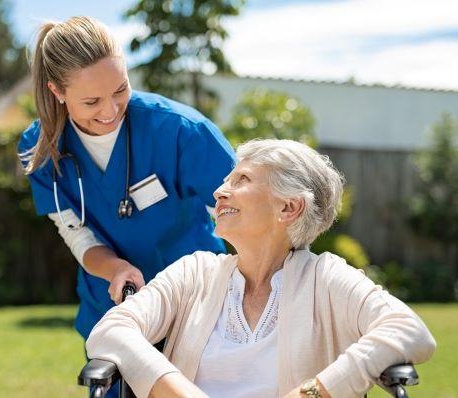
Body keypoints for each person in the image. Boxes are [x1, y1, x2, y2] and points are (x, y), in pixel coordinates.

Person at [86, 139, 436, 398]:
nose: (221, 191)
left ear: (288, 208)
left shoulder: (326, 278)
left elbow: (410, 331)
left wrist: (315, 392)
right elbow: (110, 331)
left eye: (241, 180)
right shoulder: (194, 272)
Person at [17, 16, 235, 343]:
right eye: (91, 101)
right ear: (57, 91)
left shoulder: (181, 131)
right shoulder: (41, 149)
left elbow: (245, 214)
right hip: (113, 308)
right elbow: (76, 233)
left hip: (197, 303)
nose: (111, 109)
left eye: (121, 89)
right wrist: (115, 269)